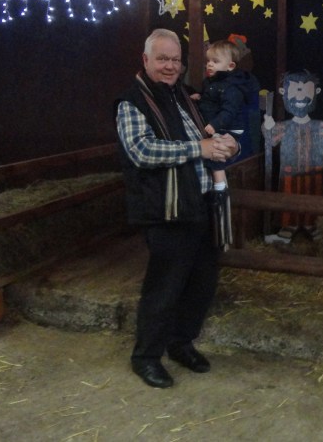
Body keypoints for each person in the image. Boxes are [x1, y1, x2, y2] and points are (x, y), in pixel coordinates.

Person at [115, 28, 239, 389]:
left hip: (200, 204)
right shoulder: (131, 102)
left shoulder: (183, 96)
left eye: (175, 60)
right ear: (145, 60)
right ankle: (146, 357)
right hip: (165, 209)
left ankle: (180, 343)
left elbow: (202, 138)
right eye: (162, 59)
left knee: (201, 283)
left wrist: (224, 144)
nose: (170, 66)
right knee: (165, 287)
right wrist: (200, 148)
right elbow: (142, 151)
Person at [263, 69, 323, 244]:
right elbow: (271, 140)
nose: (300, 95)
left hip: (314, 171)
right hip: (289, 172)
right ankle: (288, 228)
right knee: (288, 199)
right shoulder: (284, 127)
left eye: (306, 89)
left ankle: (313, 227)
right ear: (284, 93)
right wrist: (268, 127)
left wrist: (318, 153)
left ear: (316, 92)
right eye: (295, 89)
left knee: (313, 198)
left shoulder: (320, 126)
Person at [199, 39, 261, 191]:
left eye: (215, 61)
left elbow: (229, 111)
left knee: (216, 149)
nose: (209, 64)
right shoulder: (213, 82)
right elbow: (211, 100)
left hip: (229, 127)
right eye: (208, 61)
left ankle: (220, 186)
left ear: (230, 66)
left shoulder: (232, 88)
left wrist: (215, 125)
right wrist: (199, 97)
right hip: (221, 124)